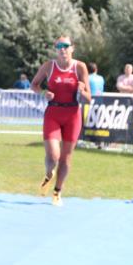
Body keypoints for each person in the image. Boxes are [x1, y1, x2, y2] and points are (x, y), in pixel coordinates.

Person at [31, 36, 92, 207]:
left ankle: (57, 192)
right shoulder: (49, 66)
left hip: (73, 115)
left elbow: (89, 98)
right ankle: (49, 173)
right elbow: (34, 85)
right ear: (55, 48)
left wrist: (82, 91)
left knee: (65, 158)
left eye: (66, 46)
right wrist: (44, 93)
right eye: (59, 46)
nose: (62, 49)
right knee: (53, 155)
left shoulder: (80, 67)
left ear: (73, 48)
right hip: (53, 113)